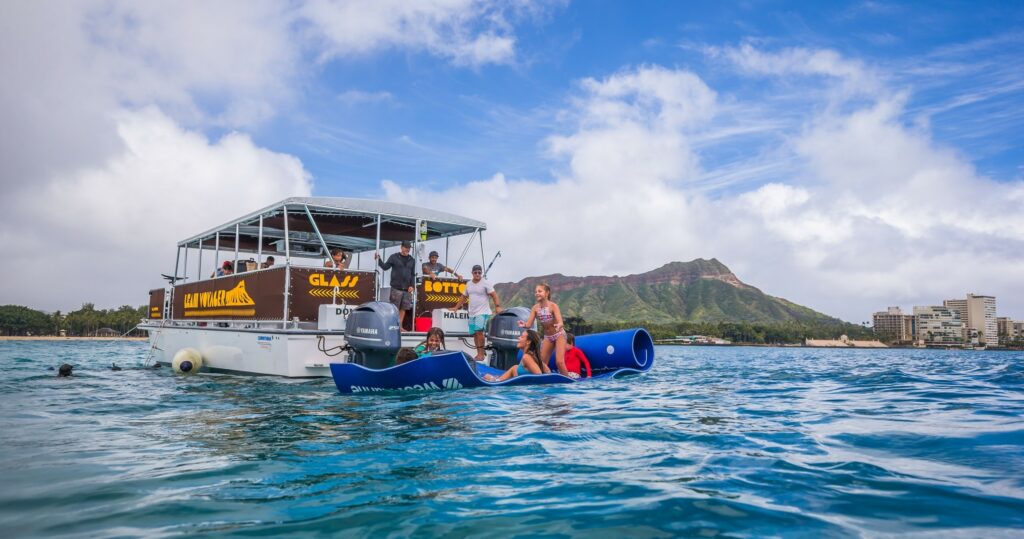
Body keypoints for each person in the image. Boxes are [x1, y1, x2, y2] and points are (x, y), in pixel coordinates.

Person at [450, 264, 502, 361]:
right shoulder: (468, 284)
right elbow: (463, 297)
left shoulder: (486, 283)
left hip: (482, 312)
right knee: (474, 333)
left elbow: (494, 295)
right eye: (475, 272)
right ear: (472, 273)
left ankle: (481, 354)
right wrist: (456, 307)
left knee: (479, 332)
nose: (477, 274)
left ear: (481, 273)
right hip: (472, 313)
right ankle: (479, 354)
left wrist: (497, 307)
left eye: (479, 272)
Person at [519, 283, 569, 376]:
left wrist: (559, 325)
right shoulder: (535, 308)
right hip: (548, 337)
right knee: (541, 363)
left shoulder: (553, 306)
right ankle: (545, 381)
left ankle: (569, 383)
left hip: (559, 335)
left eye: (540, 291)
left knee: (559, 362)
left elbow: (561, 322)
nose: (537, 293)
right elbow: (529, 324)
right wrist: (524, 324)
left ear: (547, 293)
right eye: (536, 292)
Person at [375, 240, 416, 331]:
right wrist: (379, 259)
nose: (407, 249)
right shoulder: (394, 257)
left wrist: (412, 285)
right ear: (401, 247)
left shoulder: (412, 260)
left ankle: (399, 327)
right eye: (406, 247)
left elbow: (413, 274)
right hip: (396, 288)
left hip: (407, 289)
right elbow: (385, 267)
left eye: (409, 248)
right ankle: (393, 326)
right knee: (394, 308)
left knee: (404, 308)